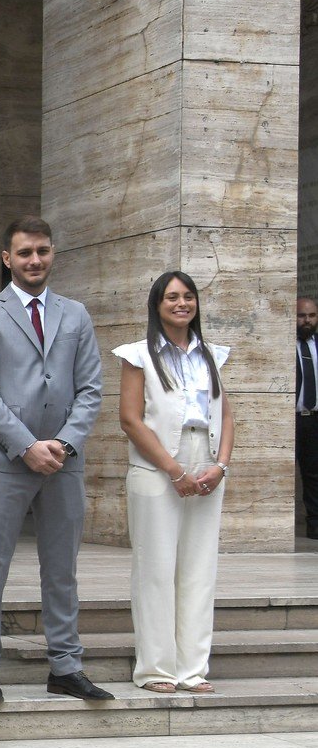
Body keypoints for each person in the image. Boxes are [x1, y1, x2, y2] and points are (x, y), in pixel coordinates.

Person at [0, 215, 109, 703]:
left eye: (42, 251)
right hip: (6, 460)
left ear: (52, 254)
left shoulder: (76, 314)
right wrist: (26, 445)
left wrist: (63, 444)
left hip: (64, 462)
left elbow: (90, 388)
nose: (34, 260)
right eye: (24, 253)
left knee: (61, 567)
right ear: (7, 258)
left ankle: (65, 666)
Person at [116, 271, 233, 693]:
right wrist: (173, 470)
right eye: (172, 297)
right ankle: (157, 670)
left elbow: (226, 416)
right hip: (157, 466)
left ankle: (192, 669)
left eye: (188, 297)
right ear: (157, 304)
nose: (181, 303)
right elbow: (130, 419)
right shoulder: (138, 355)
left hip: (205, 461)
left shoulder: (209, 355)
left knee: (200, 569)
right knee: (156, 569)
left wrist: (220, 465)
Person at [296, 298, 318, 539]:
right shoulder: (286, 346)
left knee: (313, 473)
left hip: (313, 419)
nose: (307, 321)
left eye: (311, 316)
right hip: (290, 418)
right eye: (302, 315)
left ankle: (314, 524)